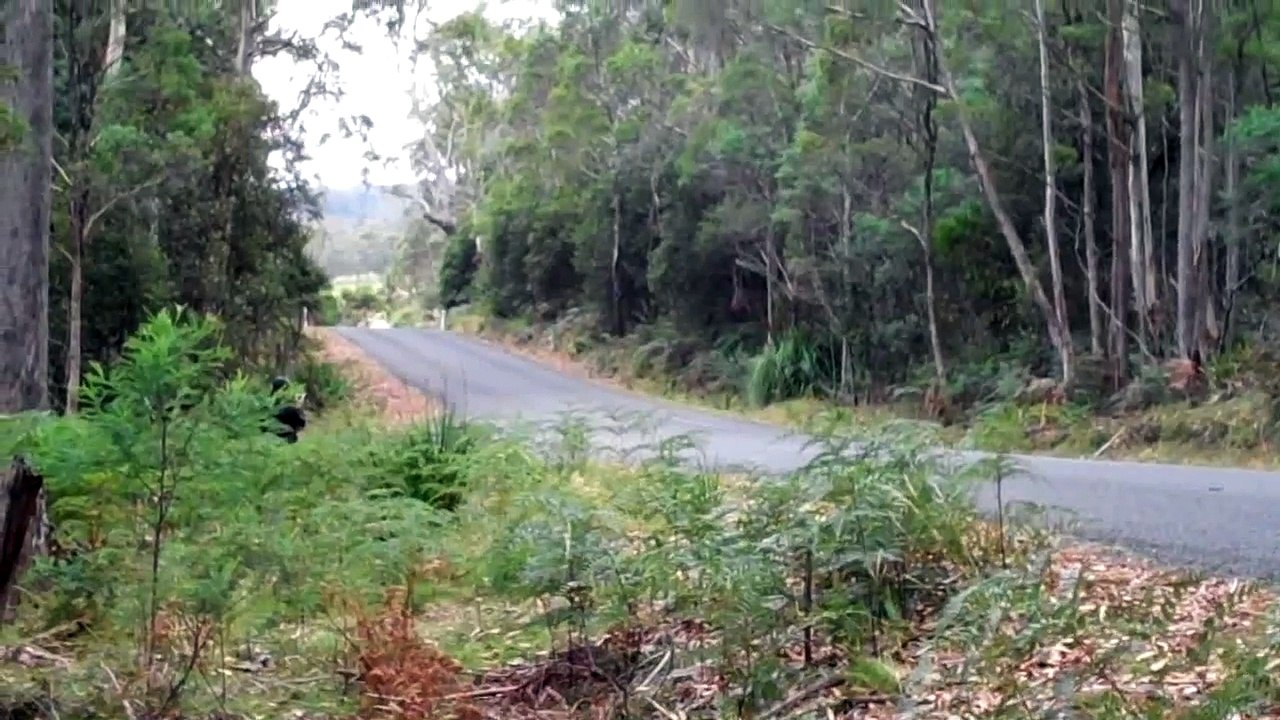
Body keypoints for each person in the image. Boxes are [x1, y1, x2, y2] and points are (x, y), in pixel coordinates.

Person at [268, 376, 307, 443]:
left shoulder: (267, 404)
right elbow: (301, 424)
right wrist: (299, 406)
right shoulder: (289, 409)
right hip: (286, 442)